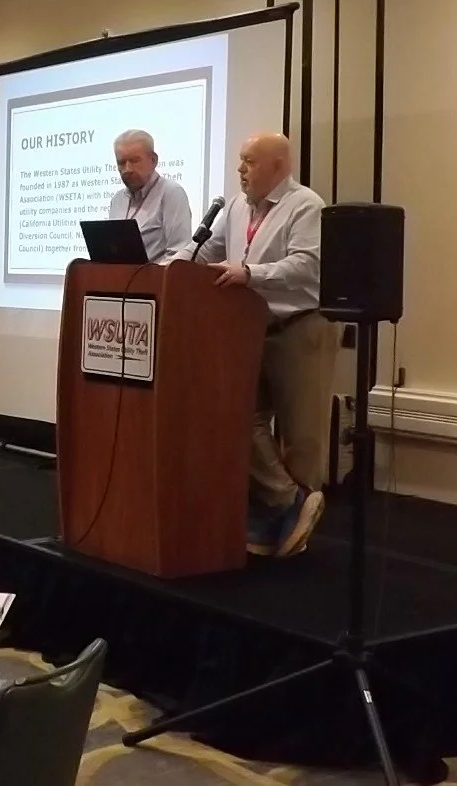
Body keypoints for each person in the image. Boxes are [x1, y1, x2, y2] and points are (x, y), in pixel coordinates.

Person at [191, 132, 333, 558]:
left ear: (277, 166)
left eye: (249, 161)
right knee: (239, 416)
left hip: (299, 327)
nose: (240, 169)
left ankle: (294, 535)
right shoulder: (235, 207)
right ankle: (289, 503)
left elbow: (307, 265)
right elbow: (204, 250)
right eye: (240, 160)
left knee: (300, 433)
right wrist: (163, 269)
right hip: (249, 329)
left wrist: (251, 274)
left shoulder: (306, 205)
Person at [108, 129, 193, 262]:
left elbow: (179, 252)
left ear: (153, 160)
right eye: (121, 162)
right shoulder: (117, 200)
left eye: (134, 161)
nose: (127, 169)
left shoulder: (171, 193)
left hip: (155, 281)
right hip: (120, 280)